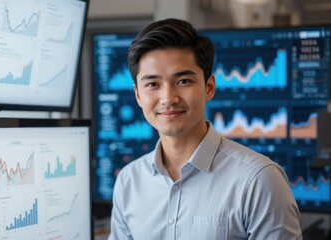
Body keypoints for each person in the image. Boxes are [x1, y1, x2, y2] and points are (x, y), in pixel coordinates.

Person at [108, 18, 302, 240]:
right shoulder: (128, 181)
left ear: (209, 87)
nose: (168, 98)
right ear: (138, 95)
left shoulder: (259, 180)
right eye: (153, 84)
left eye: (183, 81)